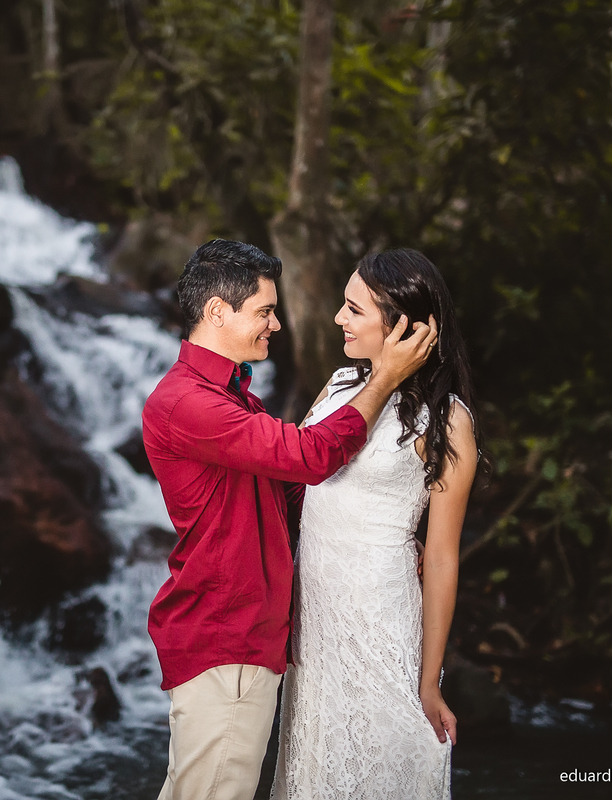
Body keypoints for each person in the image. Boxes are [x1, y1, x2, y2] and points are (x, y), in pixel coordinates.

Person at [142, 239, 438, 800]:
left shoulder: (233, 401)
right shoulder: (189, 403)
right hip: (226, 637)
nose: (276, 324)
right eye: (264, 311)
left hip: (243, 637)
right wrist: (386, 377)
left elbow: (295, 497)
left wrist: (378, 536)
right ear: (217, 312)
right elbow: (310, 457)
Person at [271, 248, 481, 799]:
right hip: (315, 627)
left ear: (404, 326)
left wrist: (430, 681)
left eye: (353, 308)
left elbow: (439, 556)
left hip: (380, 622)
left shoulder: (448, 421)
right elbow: (303, 481)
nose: (338, 318)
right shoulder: (340, 387)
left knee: (387, 764)